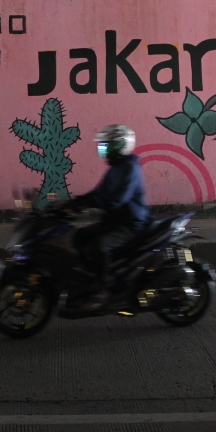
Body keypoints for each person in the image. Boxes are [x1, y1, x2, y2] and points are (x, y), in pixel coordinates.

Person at [67, 124, 148, 307]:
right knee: (79, 236)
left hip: (129, 224)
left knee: (100, 246)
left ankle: (102, 289)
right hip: (113, 221)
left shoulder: (130, 169)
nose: (102, 149)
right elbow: (98, 193)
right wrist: (74, 203)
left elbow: (117, 199)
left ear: (120, 145)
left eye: (106, 145)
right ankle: (89, 278)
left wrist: (90, 205)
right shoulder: (115, 169)